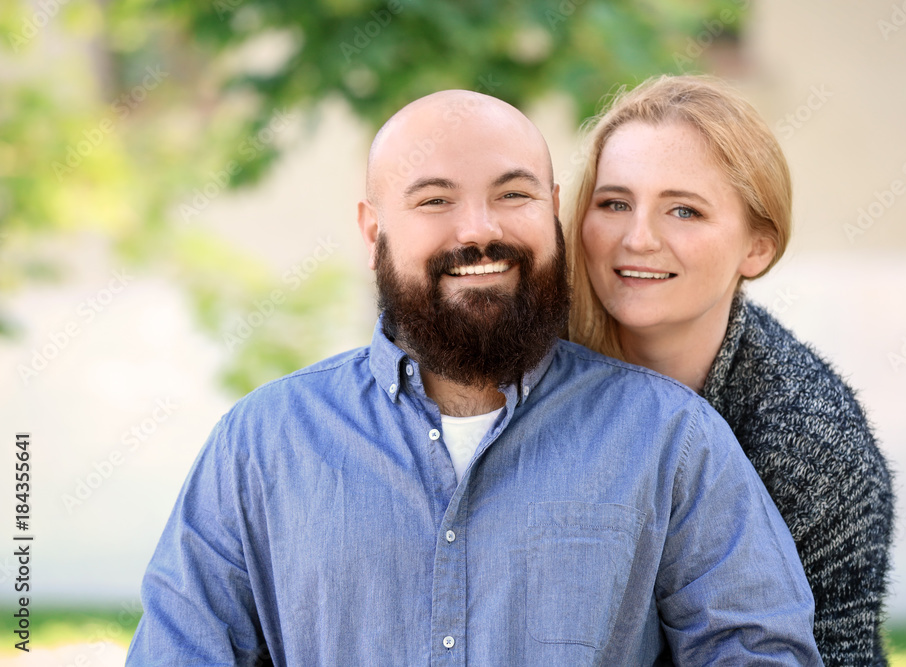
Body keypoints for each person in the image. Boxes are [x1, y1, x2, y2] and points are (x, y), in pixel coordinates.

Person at [127, 89, 823, 666]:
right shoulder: (261, 444)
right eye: (434, 200)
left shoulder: (671, 437)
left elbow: (759, 652)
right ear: (373, 231)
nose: (479, 229)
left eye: (512, 194)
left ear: (552, 210)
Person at [567, 74, 894, 666]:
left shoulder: (808, 442)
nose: (637, 238)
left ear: (757, 247)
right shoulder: (525, 369)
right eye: (615, 203)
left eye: (684, 211)